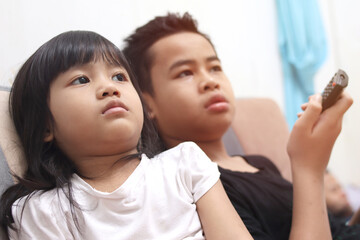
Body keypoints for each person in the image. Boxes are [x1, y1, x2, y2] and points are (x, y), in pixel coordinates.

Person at [122, 12, 359, 239]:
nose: (210, 81)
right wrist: (309, 168)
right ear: (147, 103)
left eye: (215, 68)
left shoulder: (258, 163)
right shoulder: (195, 189)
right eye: (185, 73)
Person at [0, 30, 253, 240]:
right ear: (46, 126)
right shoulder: (40, 212)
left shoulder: (185, 164)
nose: (109, 87)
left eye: (119, 76)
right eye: (81, 80)